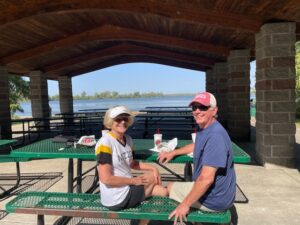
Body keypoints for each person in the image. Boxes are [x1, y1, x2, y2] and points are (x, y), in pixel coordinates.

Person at [158, 92, 236, 224]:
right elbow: (197, 145)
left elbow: (206, 179)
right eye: (194, 108)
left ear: (214, 110)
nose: (197, 111)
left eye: (203, 107)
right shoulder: (206, 127)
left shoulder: (216, 136)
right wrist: (174, 152)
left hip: (214, 198)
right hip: (218, 193)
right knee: (181, 186)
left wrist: (185, 205)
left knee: (169, 188)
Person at [95, 105, 168, 210]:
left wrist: (153, 168)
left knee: (163, 192)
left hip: (127, 187)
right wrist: (134, 181)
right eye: (118, 119)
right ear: (110, 121)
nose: (123, 122)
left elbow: (132, 163)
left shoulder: (128, 139)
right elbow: (106, 179)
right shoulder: (105, 143)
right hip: (116, 198)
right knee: (152, 177)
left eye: (125, 118)